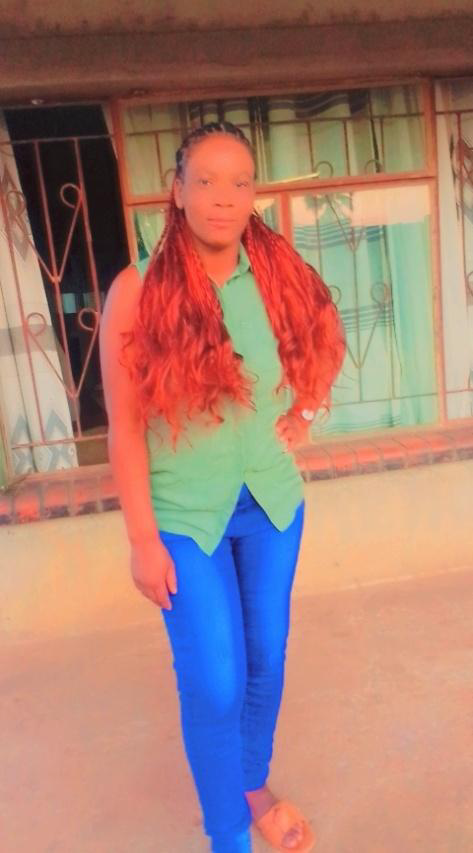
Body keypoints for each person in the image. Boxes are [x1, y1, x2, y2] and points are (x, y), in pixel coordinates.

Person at [99, 121, 346, 853]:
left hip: (270, 502)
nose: (223, 197)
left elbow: (324, 335)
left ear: (253, 193)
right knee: (215, 679)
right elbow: (123, 427)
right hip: (184, 515)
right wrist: (142, 540)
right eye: (205, 180)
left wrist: (305, 411)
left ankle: (251, 783)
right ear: (176, 190)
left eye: (239, 182)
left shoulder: (277, 273)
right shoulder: (137, 290)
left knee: (264, 661)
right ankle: (228, 835)